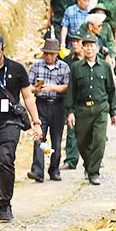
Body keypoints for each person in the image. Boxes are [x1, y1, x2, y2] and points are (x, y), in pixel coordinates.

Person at [0, 31, 42, 221]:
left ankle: (5, 204)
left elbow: (28, 97)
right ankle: (1, 202)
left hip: (11, 122)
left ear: (3, 48)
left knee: (5, 158)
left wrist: (36, 122)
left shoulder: (17, 69)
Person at [65, 32, 116, 185]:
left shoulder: (105, 66)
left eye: (92, 46)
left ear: (97, 48)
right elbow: (71, 91)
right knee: (82, 142)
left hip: (100, 108)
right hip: (82, 109)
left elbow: (111, 89)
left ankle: (94, 172)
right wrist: (70, 112)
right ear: (82, 48)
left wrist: (113, 112)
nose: (89, 49)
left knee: (99, 141)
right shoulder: (76, 67)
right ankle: (88, 165)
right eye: (86, 46)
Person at [27, 39, 69, 182]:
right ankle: (38, 170)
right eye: (46, 53)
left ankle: (54, 169)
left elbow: (67, 86)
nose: (48, 56)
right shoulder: (36, 66)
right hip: (41, 104)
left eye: (51, 54)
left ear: (56, 54)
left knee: (56, 139)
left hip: (58, 105)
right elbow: (27, 86)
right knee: (39, 137)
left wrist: (52, 87)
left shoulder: (64, 67)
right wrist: (36, 89)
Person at [60, 30, 83, 170]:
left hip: (89, 100)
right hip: (73, 99)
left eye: (78, 41)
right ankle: (71, 159)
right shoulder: (67, 61)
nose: (75, 44)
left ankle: (93, 159)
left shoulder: (93, 58)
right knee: (71, 129)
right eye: (73, 41)